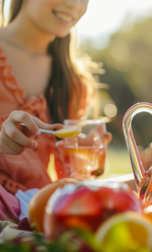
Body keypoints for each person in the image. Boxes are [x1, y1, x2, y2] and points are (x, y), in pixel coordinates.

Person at [0, 0, 101, 222]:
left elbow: (68, 183)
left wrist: (84, 157)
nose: (74, 4)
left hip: (38, 219)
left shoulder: (72, 83)